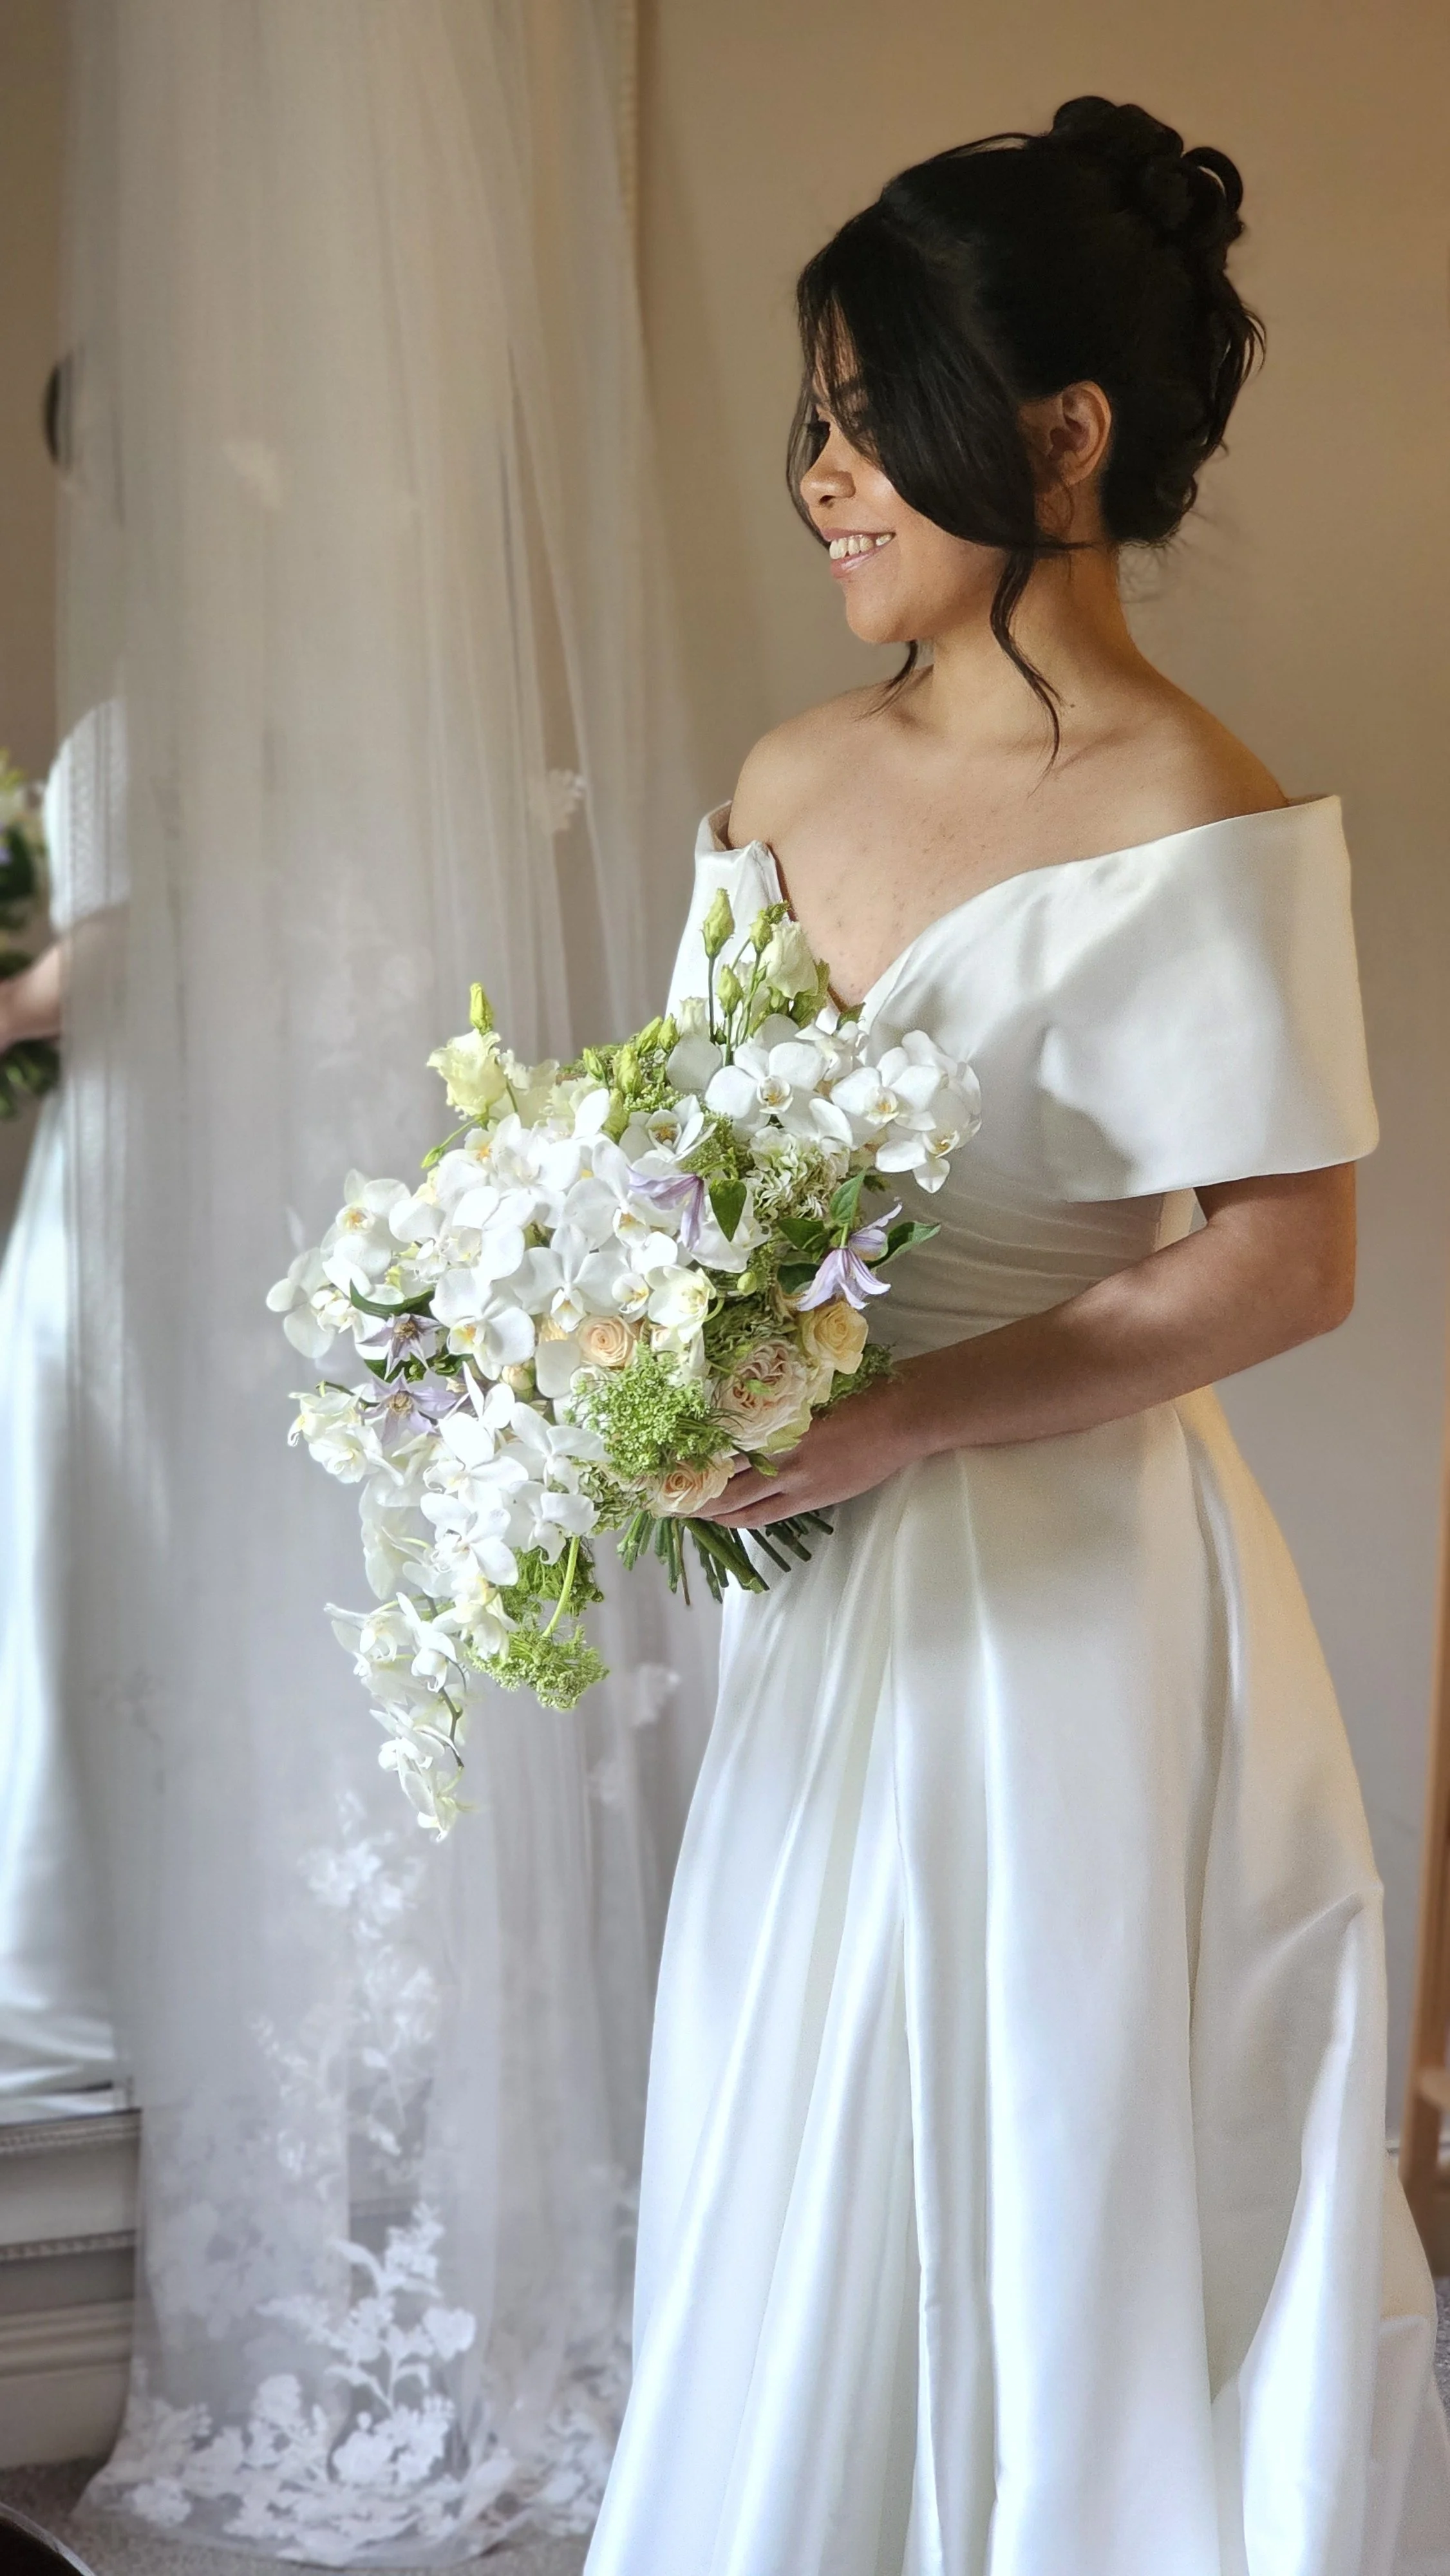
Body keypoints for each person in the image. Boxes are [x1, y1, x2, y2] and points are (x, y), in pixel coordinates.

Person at [582, 98, 1450, 2576]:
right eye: (820, 421)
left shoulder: (1196, 808)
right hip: (825, 1605)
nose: (827, 477)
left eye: (877, 418)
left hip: (1069, 1612)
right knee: (809, 2109)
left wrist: (893, 1418)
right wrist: (599, 1356)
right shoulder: (786, 770)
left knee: (1046, 2142)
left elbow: (1288, 1258)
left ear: (1062, 439)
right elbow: (664, 1177)